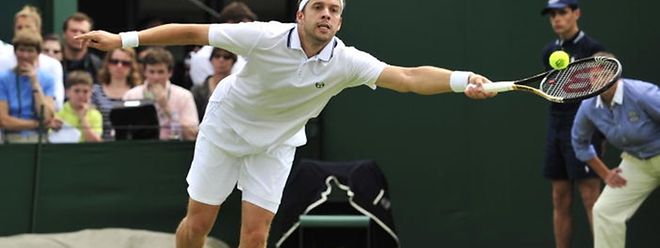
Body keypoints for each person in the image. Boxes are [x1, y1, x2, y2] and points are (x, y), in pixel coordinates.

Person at [75, 0, 495, 246]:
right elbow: (194, 31)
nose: (326, 14)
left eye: (334, 10)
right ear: (301, 14)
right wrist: (122, 40)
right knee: (198, 223)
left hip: (276, 144)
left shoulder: (347, 61)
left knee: (256, 235)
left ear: (340, 22)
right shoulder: (264, 35)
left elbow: (406, 77)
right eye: (319, 7)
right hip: (225, 128)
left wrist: (462, 81)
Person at [571, 52, 660, 248]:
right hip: (636, 164)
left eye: (603, 74)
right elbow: (579, 142)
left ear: (615, 75)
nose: (597, 80)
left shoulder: (642, 94)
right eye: (593, 75)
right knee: (604, 211)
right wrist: (605, 174)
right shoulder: (588, 106)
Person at [540, 1, 606, 247]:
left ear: (576, 13)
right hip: (556, 128)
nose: (557, 19)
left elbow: (604, 94)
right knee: (559, 197)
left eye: (563, 12)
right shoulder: (549, 52)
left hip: (585, 129)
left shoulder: (593, 49)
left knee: (591, 198)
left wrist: (600, 133)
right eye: (553, 14)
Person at [122, 47, 199, 141]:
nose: (156, 77)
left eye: (161, 72)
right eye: (151, 72)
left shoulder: (184, 96)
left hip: (173, 149)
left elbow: (192, 135)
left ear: (170, 73)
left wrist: (166, 107)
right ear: (145, 72)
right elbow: (121, 132)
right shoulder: (131, 95)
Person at [0, 5, 65, 111]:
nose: (23, 31)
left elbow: (57, 104)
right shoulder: (2, 59)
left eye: (28, 27)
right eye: (19, 27)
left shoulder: (53, 65)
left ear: (38, 30)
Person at [0, 30, 58, 143]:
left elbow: (46, 116)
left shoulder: (48, 79)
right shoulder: (3, 79)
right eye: (21, 50)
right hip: (12, 140)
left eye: (30, 51)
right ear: (15, 52)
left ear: (38, 53)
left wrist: (34, 82)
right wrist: (36, 124)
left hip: (40, 140)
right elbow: (3, 121)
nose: (25, 55)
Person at [188, 1, 256, 86]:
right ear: (230, 24)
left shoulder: (249, 53)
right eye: (246, 27)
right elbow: (206, 95)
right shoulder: (203, 57)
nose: (250, 33)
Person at [92, 48, 142, 140]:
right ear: (107, 64)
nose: (119, 66)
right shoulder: (94, 92)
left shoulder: (139, 93)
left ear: (132, 67)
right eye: (114, 62)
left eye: (125, 63)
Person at [55, 71, 102, 142]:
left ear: (91, 93)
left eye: (85, 91)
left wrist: (83, 118)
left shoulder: (95, 114)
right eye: (76, 91)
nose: (81, 95)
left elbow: (95, 142)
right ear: (67, 93)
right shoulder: (58, 112)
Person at [191, 47, 236, 120]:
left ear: (233, 62)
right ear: (211, 60)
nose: (221, 60)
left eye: (226, 57)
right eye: (217, 56)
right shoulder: (197, 90)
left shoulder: (239, 88)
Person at [62, 12, 102, 82]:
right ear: (64, 33)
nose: (78, 35)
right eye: (74, 31)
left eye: (83, 32)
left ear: (90, 36)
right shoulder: (54, 62)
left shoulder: (97, 65)